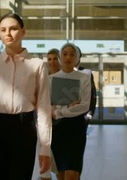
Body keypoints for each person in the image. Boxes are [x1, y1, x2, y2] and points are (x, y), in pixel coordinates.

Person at [0, 13, 51, 179]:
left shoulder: (37, 65)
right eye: (3, 30)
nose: (8, 33)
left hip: (24, 127)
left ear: (23, 32)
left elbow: (44, 109)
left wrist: (45, 148)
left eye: (13, 29)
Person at [51, 43, 91, 180]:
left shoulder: (84, 78)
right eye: (65, 53)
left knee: (72, 174)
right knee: (60, 174)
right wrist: (69, 108)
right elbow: (47, 106)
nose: (68, 57)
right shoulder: (50, 79)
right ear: (60, 56)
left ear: (77, 58)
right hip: (56, 130)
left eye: (72, 54)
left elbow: (84, 106)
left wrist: (59, 111)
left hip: (76, 129)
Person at [40, 48, 61, 180]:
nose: (52, 62)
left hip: (60, 125)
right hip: (45, 125)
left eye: (55, 59)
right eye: (49, 59)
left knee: (59, 166)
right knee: (44, 166)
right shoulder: (43, 79)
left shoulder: (65, 79)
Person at [75, 46, 97, 123]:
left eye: (75, 54)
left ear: (79, 57)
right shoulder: (61, 73)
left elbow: (93, 94)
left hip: (83, 117)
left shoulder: (87, 73)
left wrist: (90, 114)